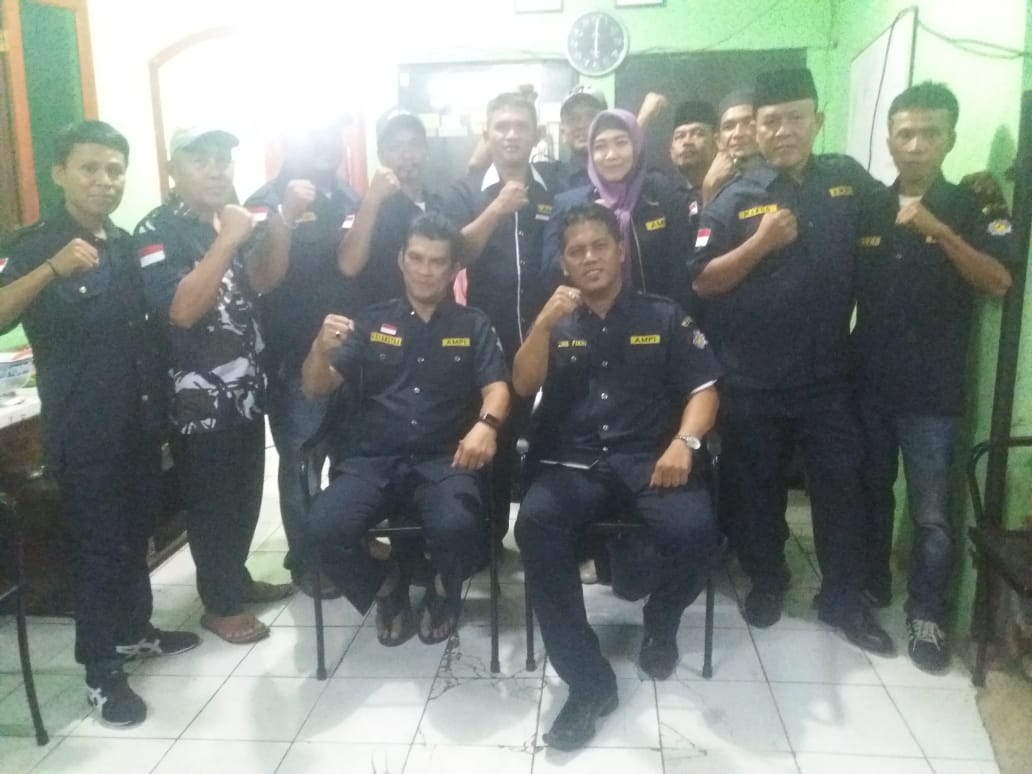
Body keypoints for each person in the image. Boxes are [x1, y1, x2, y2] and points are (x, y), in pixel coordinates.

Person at [0, 121, 199, 727]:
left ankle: (135, 631)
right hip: (84, 429)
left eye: (115, 170)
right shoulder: (34, 244)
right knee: (97, 549)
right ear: (60, 172)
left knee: (136, 534)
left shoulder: (123, 243)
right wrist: (51, 269)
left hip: (138, 421)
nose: (104, 181)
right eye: (90, 168)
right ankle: (100, 671)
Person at [691, 68, 893, 654]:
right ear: (755, 128)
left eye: (795, 118)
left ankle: (842, 598)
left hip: (828, 378)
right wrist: (760, 243)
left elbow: (897, 209)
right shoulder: (734, 197)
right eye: (771, 120)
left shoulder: (846, 181)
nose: (783, 130)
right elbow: (702, 280)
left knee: (841, 489)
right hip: (751, 379)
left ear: (817, 121)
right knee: (757, 492)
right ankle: (768, 579)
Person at [514, 202, 722, 750]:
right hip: (573, 462)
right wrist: (542, 324)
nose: (589, 258)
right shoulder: (555, 320)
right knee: (534, 527)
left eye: (599, 246)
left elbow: (704, 390)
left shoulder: (663, 315)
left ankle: (662, 618)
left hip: (651, 458)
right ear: (564, 263)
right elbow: (522, 383)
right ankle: (588, 683)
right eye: (576, 251)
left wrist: (685, 442)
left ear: (620, 251)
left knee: (698, 531)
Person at [853, 82, 1013, 672]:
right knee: (869, 494)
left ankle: (927, 614)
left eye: (930, 134)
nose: (916, 145)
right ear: (889, 140)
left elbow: (998, 281)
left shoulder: (973, 205)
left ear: (950, 138)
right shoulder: (869, 205)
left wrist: (941, 231)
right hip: (868, 382)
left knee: (933, 516)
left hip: (933, 393)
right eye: (906, 134)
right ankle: (871, 585)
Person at [301, 213, 509, 645]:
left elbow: (497, 389)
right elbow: (317, 387)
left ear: (453, 269)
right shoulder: (371, 322)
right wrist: (319, 350)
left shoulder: (473, 324)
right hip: (371, 460)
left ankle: (441, 589)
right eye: (416, 258)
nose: (425, 270)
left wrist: (486, 425)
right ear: (401, 260)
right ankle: (386, 585)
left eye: (437, 261)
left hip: (445, 460)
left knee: (462, 526)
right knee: (321, 529)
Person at [135, 126, 294, 646]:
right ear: (173, 169)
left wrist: (277, 226)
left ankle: (235, 578)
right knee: (212, 503)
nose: (215, 168)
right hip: (197, 399)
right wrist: (227, 239)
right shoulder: (157, 230)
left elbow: (263, 281)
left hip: (245, 387)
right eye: (200, 159)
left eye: (223, 159)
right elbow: (181, 310)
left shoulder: (226, 220)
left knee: (245, 494)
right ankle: (220, 605)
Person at [244, 117, 360, 598]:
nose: (326, 143)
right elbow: (260, 278)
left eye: (333, 134)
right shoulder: (264, 200)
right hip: (292, 357)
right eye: (315, 134)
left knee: (350, 459)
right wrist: (286, 215)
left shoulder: (349, 197)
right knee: (302, 464)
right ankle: (309, 560)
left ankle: (346, 548)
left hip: (351, 355)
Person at [443, 92, 554, 538]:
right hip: (488, 340)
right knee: (495, 440)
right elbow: (455, 255)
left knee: (551, 437)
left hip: (552, 337)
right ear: (486, 135)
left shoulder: (553, 185)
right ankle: (489, 541)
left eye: (520, 126)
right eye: (501, 127)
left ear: (536, 135)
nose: (511, 135)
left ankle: (545, 535)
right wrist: (496, 209)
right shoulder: (465, 191)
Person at [541, 109, 698, 315]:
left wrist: (674, 323)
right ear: (591, 153)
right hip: (593, 321)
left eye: (621, 143)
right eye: (600, 147)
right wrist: (591, 227)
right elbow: (550, 273)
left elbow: (682, 268)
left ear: (636, 145)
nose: (611, 155)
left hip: (658, 320)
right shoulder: (570, 203)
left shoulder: (661, 193)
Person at [339, 110, 444, 307]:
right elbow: (348, 266)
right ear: (381, 155)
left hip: (439, 320)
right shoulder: (368, 208)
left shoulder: (442, 206)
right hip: (385, 321)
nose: (406, 155)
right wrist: (372, 199)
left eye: (414, 144)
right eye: (396, 147)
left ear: (426, 152)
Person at [701, 89, 761, 205]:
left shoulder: (785, 173)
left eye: (747, 123)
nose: (738, 133)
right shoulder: (715, 183)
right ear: (718, 141)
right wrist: (708, 189)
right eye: (728, 127)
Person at [669, 100, 718, 208]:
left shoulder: (736, 192)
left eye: (698, 134)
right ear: (671, 151)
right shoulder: (669, 201)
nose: (687, 142)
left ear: (716, 143)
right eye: (680, 136)